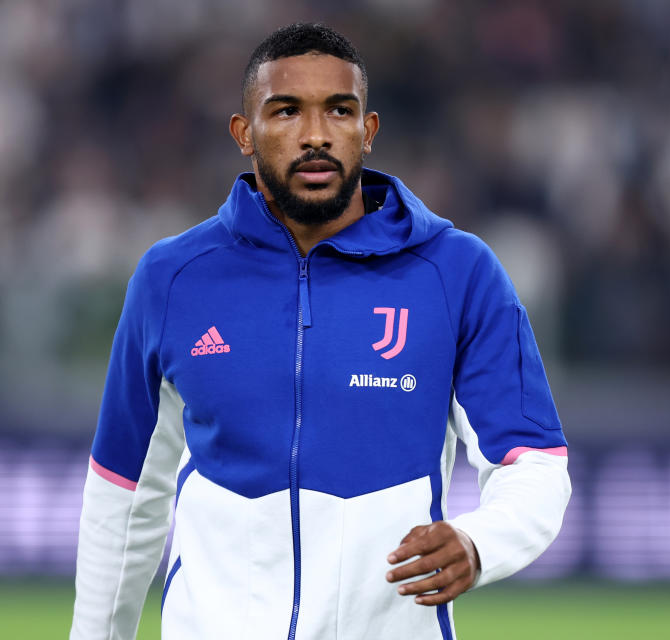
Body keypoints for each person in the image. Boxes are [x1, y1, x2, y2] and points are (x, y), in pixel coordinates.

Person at [70, 22, 570, 640]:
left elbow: (535, 462)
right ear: (244, 133)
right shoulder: (172, 278)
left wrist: (478, 542)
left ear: (369, 130)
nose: (315, 135)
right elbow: (124, 492)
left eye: (339, 110)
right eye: (285, 112)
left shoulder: (457, 272)